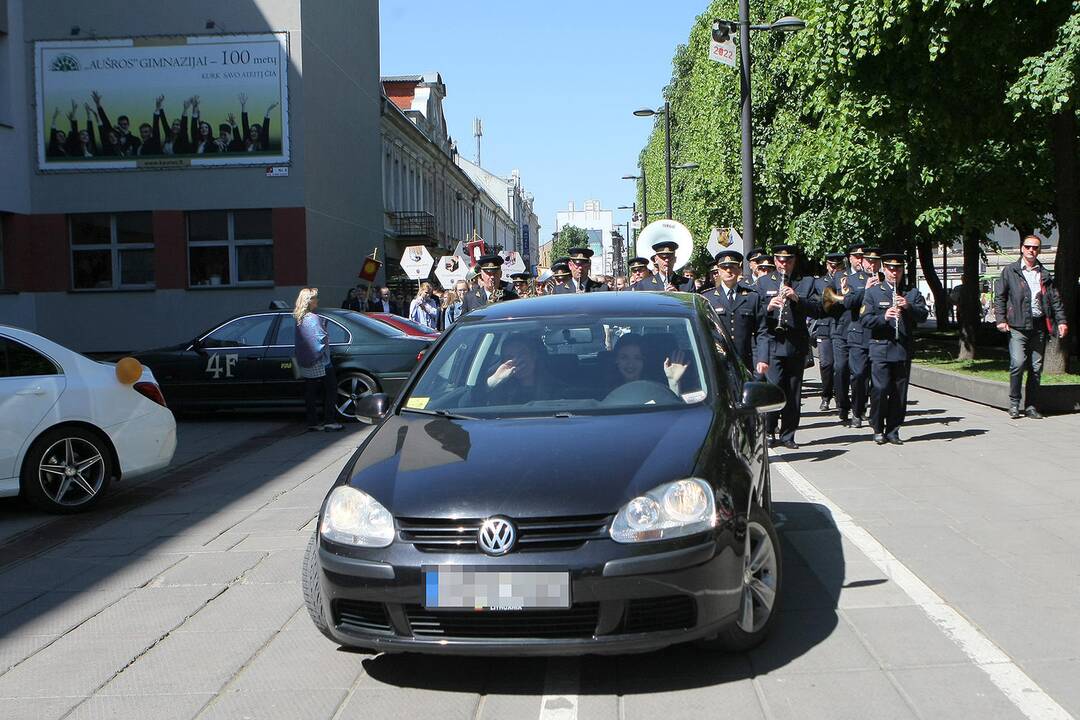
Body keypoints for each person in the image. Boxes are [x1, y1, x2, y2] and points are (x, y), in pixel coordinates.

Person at [993, 234, 1069, 419]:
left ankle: (1031, 406)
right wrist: (1001, 319)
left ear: (1039, 250)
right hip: (1017, 326)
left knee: (1036, 368)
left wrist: (1062, 321)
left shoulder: (1044, 273)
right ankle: (1014, 403)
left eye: (1035, 247)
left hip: (1039, 326)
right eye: (1028, 247)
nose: (1031, 250)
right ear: (1021, 248)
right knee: (1017, 363)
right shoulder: (1010, 271)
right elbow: (1000, 297)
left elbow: (1054, 300)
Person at [754, 244, 822, 449]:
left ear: (794, 261)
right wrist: (768, 308)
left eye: (789, 260)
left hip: (795, 345)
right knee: (774, 389)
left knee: (794, 392)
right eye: (780, 260)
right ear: (775, 261)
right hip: (774, 344)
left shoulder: (806, 283)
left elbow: (819, 309)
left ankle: (788, 435)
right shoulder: (763, 282)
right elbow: (755, 315)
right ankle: (768, 430)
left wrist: (796, 298)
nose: (784, 264)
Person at [861, 252, 928, 444]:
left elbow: (922, 316)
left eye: (897, 269)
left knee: (899, 394)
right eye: (890, 268)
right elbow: (865, 320)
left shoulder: (911, 293)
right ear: (884, 269)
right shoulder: (874, 292)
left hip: (901, 349)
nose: (894, 272)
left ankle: (893, 430)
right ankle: (877, 427)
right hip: (880, 348)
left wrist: (908, 306)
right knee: (880, 390)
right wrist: (884, 318)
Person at [701, 249, 766, 372]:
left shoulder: (752, 297)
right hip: (718, 361)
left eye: (732, 267)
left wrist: (762, 359)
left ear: (739, 270)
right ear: (718, 271)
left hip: (746, 361)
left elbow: (762, 331)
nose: (729, 271)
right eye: (724, 268)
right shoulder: (707, 298)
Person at [841, 247, 882, 429]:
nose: (871, 265)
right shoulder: (851, 280)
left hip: (879, 335)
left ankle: (875, 414)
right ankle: (857, 411)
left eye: (875, 262)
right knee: (858, 375)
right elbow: (848, 303)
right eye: (868, 261)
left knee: (877, 380)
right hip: (858, 336)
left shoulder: (886, 279)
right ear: (862, 261)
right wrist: (866, 290)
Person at [292, 288, 342, 432]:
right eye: (315, 298)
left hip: (306, 359)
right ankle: (329, 420)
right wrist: (325, 331)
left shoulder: (299, 317)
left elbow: (302, 340)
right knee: (331, 389)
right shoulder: (314, 318)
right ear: (309, 301)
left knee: (310, 392)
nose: (317, 301)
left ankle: (312, 422)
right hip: (321, 360)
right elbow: (320, 339)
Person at [826, 243, 865, 426]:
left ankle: (859, 409)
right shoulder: (840, 276)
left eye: (863, 257)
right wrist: (844, 297)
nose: (861, 260)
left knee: (860, 373)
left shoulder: (873, 278)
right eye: (857, 257)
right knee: (840, 369)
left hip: (861, 331)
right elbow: (827, 302)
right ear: (849, 258)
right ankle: (842, 405)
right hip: (841, 330)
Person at [480, 333, 560, 405]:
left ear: (534, 355)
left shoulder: (558, 390)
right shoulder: (499, 391)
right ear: (503, 362)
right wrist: (494, 380)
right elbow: (472, 398)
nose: (518, 361)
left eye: (522, 354)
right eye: (510, 357)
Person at [604, 333, 688, 398]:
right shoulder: (602, 389)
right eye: (624, 357)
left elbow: (673, 410)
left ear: (644, 361)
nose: (630, 364)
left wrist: (673, 382)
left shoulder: (656, 389)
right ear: (616, 360)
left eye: (637, 358)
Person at [813, 252, 845, 410]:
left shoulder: (845, 281)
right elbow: (814, 301)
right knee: (826, 364)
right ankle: (826, 395)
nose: (835, 269)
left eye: (838, 266)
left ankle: (840, 399)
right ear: (827, 265)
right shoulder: (819, 282)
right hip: (825, 326)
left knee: (840, 366)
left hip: (841, 326)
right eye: (832, 266)